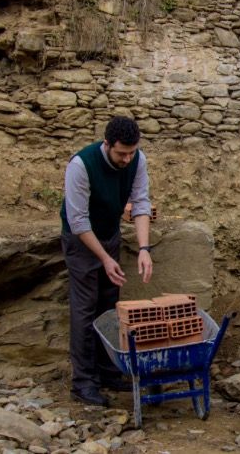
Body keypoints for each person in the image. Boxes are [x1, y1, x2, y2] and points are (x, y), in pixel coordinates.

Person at [61, 116, 154, 406]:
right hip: (82, 241)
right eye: (120, 153)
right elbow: (77, 220)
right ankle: (83, 382)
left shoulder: (138, 160)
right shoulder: (81, 165)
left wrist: (143, 248)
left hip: (109, 234)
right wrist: (103, 258)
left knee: (109, 304)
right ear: (107, 144)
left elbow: (140, 203)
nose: (127, 158)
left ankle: (108, 371)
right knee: (85, 308)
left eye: (131, 152)